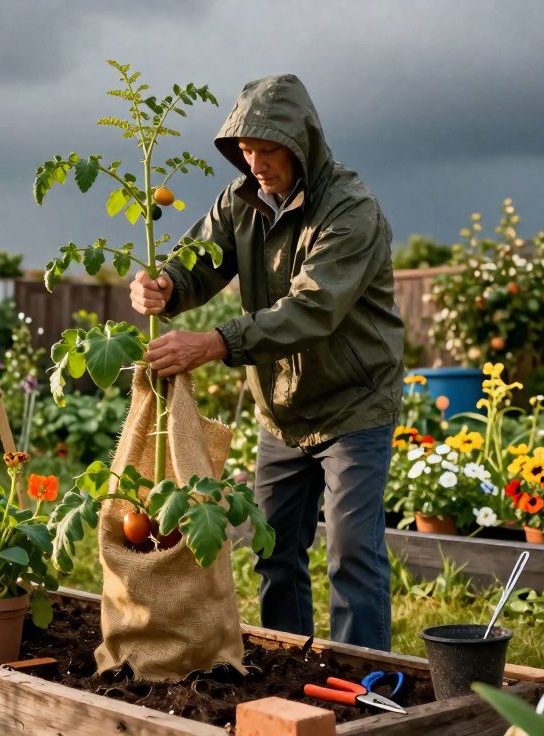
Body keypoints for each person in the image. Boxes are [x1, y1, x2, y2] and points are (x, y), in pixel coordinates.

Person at [129, 74, 404, 650]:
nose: (254, 163)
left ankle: (364, 687)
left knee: (352, 553)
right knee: (275, 553)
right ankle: (292, 677)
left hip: (353, 403)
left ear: (301, 143)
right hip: (280, 411)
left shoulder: (350, 210)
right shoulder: (240, 201)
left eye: (267, 149)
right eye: (245, 151)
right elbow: (197, 262)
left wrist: (214, 343)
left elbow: (312, 309)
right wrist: (164, 286)